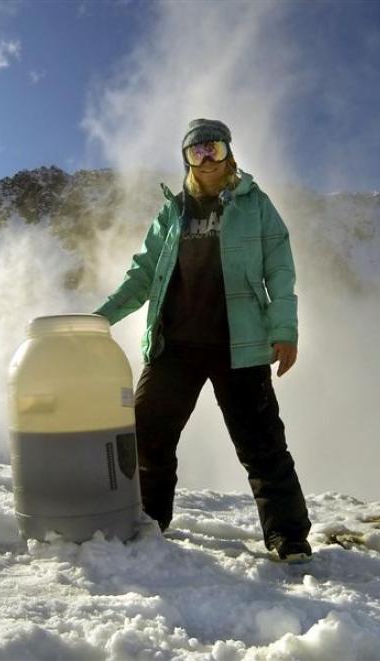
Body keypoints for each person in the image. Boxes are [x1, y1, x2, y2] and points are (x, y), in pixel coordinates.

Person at [93, 118, 312, 562]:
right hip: (174, 345)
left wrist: (284, 331)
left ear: (229, 152)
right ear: (186, 161)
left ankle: (288, 536)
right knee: (149, 433)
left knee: (261, 442)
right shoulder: (172, 212)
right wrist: (100, 318)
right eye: (197, 152)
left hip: (241, 343)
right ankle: (150, 521)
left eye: (214, 149)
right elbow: (142, 275)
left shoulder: (256, 205)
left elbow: (280, 270)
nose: (207, 159)